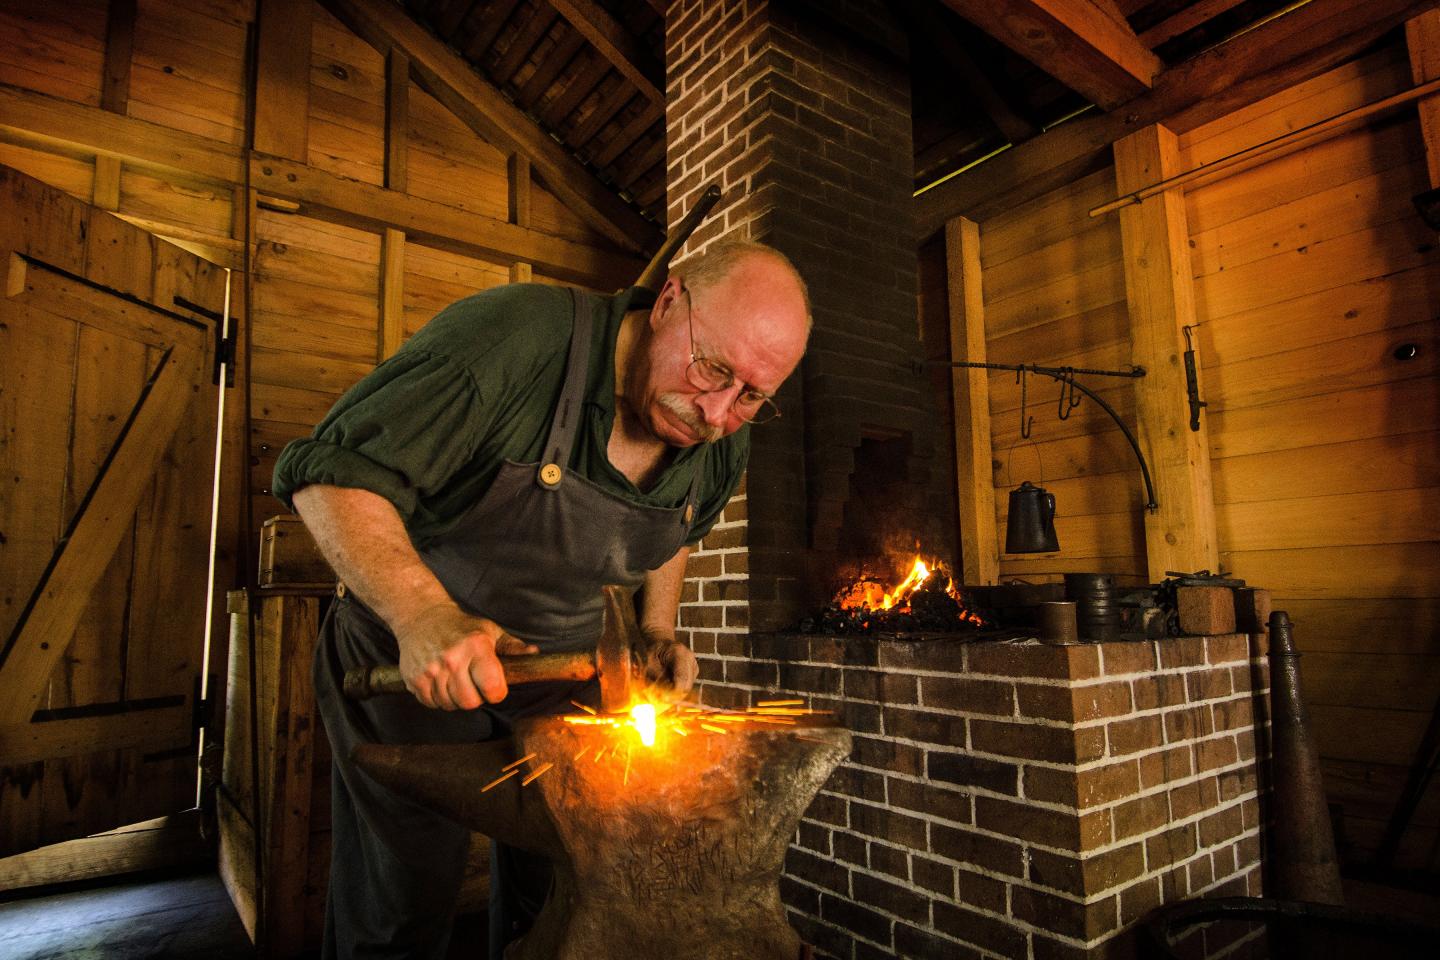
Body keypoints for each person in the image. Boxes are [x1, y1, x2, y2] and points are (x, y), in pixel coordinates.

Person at [271, 240, 811, 960]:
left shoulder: (720, 437)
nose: (716, 411)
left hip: (565, 682)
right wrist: (422, 614)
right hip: (409, 662)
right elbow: (331, 474)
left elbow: (679, 526)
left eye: (751, 395)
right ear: (670, 301)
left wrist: (656, 630)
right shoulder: (516, 339)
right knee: (401, 906)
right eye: (712, 368)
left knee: (560, 893)